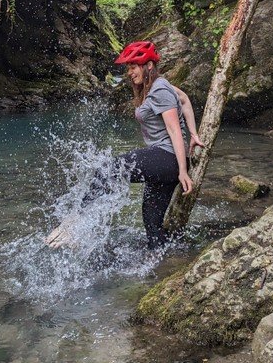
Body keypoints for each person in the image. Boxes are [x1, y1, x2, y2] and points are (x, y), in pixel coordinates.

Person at [46, 40, 203, 250]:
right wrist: (193, 134)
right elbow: (184, 99)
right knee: (152, 223)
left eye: (133, 67)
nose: (129, 73)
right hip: (167, 162)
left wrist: (183, 171)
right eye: (128, 68)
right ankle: (163, 260)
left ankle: (73, 226)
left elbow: (174, 129)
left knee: (109, 169)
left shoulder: (160, 89)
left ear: (149, 65)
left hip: (168, 158)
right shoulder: (157, 87)